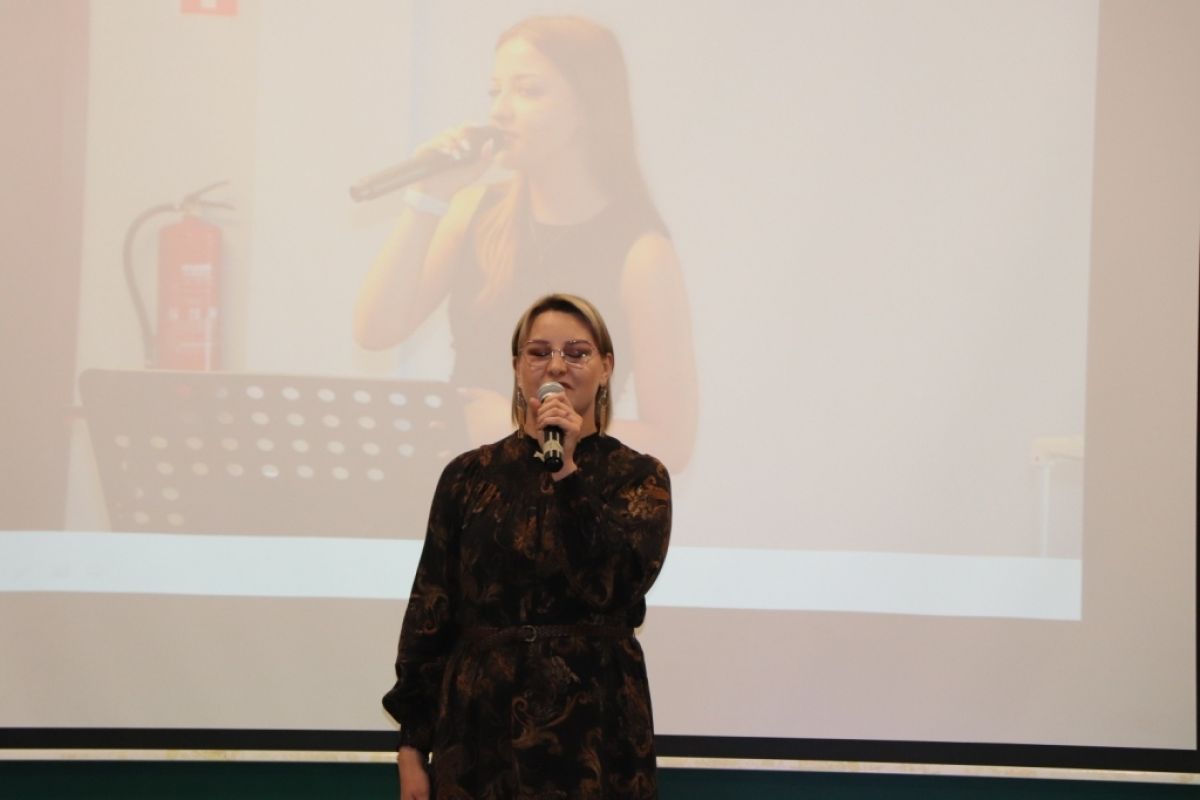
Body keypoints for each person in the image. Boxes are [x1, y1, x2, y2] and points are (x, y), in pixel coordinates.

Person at [354, 15, 697, 473]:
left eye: (528, 91)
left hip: (567, 502)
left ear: (587, 106)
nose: (500, 111)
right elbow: (375, 330)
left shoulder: (641, 252)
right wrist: (427, 199)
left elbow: (670, 443)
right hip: (465, 492)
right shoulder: (475, 213)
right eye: (496, 91)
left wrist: (526, 426)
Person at [383, 293, 672, 799]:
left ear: (606, 367)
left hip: (595, 733)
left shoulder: (639, 476)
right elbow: (430, 610)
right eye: (539, 353)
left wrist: (567, 472)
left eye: (577, 353)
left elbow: (614, 584)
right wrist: (411, 746)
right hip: (479, 733)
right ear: (518, 368)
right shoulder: (468, 476)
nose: (556, 365)